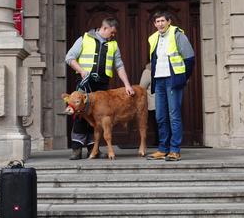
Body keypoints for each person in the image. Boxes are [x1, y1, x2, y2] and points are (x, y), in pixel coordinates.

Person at [65, 17, 135, 160]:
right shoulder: (84, 39)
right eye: (112, 32)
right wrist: (82, 71)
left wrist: (127, 84)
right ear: (104, 28)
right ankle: (76, 149)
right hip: (85, 82)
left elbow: (119, 66)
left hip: (101, 86)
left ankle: (93, 149)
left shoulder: (113, 45)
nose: (113, 35)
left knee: (97, 116)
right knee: (79, 114)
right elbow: (69, 57)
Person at [146, 11, 195, 162]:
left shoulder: (177, 34)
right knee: (160, 116)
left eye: (162, 21)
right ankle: (163, 149)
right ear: (154, 24)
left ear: (169, 21)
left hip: (173, 80)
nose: (160, 24)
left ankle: (174, 150)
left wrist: (182, 78)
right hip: (159, 80)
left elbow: (189, 58)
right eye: (157, 21)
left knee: (174, 115)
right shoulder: (153, 38)